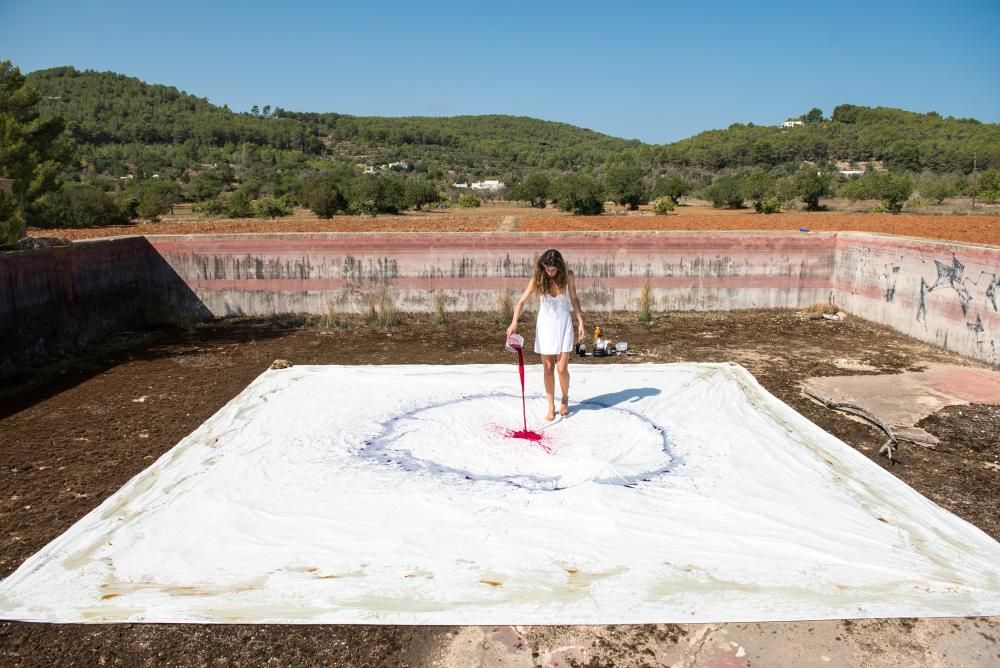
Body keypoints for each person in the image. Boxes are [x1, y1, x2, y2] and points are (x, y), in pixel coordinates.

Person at [506, 249, 585, 421]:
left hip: (563, 324)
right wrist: (514, 322)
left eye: (553, 270)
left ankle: (565, 398)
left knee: (562, 368)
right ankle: (551, 406)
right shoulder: (538, 278)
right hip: (545, 327)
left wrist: (580, 321)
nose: (549, 273)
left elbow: (574, 299)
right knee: (548, 369)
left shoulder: (568, 276)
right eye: (547, 269)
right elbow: (521, 301)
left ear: (559, 267)